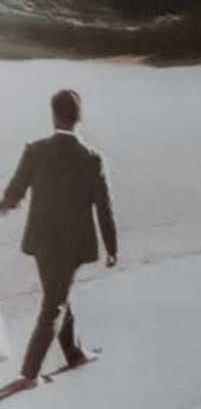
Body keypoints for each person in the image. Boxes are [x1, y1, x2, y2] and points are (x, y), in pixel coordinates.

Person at [5, 87, 117, 385]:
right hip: (72, 246)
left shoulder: (35, 150)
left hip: (41, 242)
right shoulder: (92, 159)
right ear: (80, 117)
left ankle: (74, 353)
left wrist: (1, 209)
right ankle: (30, 373)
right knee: (55, 301)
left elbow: (14, 191)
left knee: (56, 295)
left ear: (53, 115)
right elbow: (104, 208)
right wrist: (111, 247)